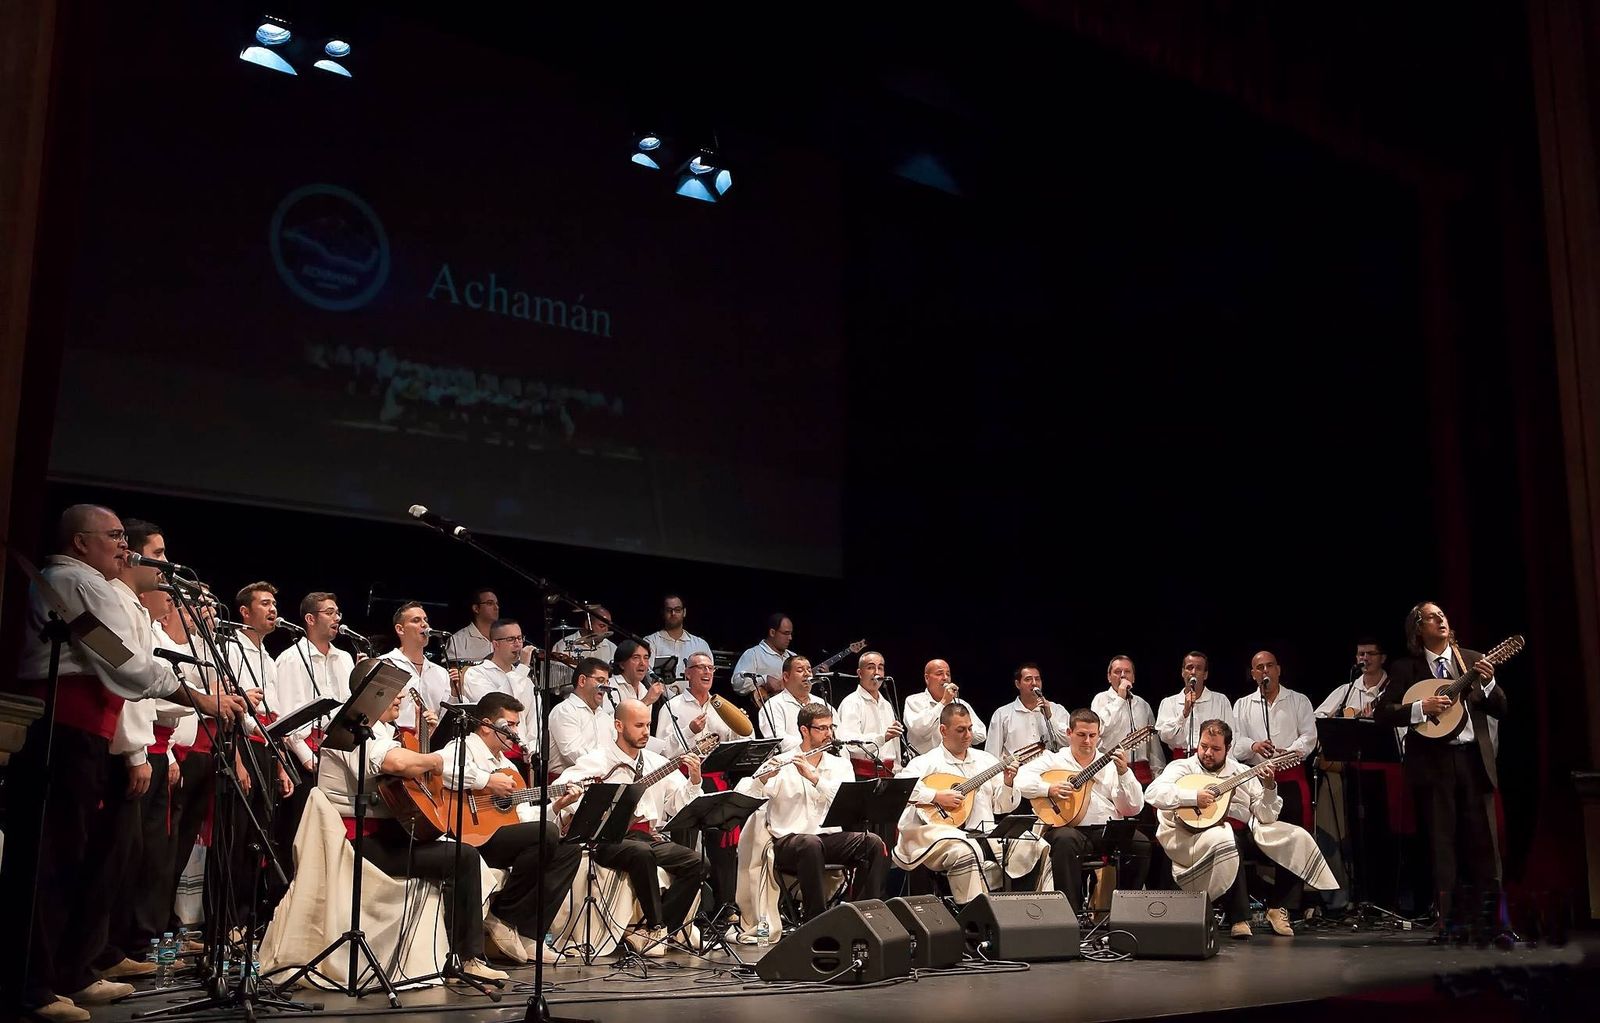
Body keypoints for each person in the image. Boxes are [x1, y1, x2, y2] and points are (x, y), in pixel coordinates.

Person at [1, 505, 244, 1021]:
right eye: (113, 536)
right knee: (50, 860)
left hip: (85, 733)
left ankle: (67, 972)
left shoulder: (89, 584)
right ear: (80, 542)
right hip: (61, 732)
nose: (123, 546)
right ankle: (33, 985)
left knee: (75, 860)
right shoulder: (71, 580)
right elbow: (119, 659)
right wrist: (195, 696)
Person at [315, 689, 508, 982]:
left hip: (389, 833)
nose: (399, 698)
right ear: (369, 698)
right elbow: (398, 764)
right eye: (391, 693)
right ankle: (465, 958)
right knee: (463, 858)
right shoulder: (349, 734)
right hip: (360, 841)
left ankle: (459, 948)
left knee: (457, 848)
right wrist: (434, 760)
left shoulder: (383, 734)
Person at [1373, 602, 1505, 935]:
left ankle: (1495, 923)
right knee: (1442, 848)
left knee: (1486, 847)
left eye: (1443, 614)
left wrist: (1487, 686)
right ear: (1418, 628)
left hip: (1474, 762)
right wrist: (1420, 707)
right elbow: (1383, 713)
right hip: (1434, 766)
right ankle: (1451, 924)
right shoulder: (1407, 669)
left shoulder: (1473, 660)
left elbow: (1502, 707)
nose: (1441, 619)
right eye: (1431, 617)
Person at [1146, 719, 1338, 939]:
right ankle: (1239, 917)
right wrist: (1193, 797)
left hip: (1247, 830)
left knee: (1296, 837)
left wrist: (1269, 788)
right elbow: (1152, 794)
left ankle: (1278, 907)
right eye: (1204, 746)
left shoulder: (1241, 771)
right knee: (1227, 840)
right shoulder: (1182, 767)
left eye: (1216, 749)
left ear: (1228, 749)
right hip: (1199, 835)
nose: (1208, 753)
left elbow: (1267, 816)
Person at [436, 693, 583, 964]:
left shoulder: (508, 765)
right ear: (486, 725)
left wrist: (558, 806)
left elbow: (524, 817)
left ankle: (529, 933)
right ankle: (505, 915)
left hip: (498, 836)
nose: (515, 732)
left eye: (517, 725)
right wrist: (486, 781)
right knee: (546, 835)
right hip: (468, 836)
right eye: (510, 725)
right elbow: (437, 769)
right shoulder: (462, 747)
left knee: (569, 849)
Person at [554, 700, 708, 954]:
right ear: (618, 725)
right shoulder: (597, 760)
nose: (646, 731)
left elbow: (678, 804)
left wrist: (694, 780)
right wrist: (576, 803)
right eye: (639, 725)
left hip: (644, 837)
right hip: (606, 839)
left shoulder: (656, 762)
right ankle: (656, 925)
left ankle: (655, 930)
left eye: (648, 725)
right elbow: (564, 792)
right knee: (641, 853)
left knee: (698, 862)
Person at [747, 704, 887, 921]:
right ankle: (817, 921)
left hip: (829, 840)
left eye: (830, 728)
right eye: (821, 729)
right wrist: (764, 778)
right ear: (805, 730)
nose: (828, 734)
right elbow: (745, 796)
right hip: (789, 842)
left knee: (873, 843)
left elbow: (849, 806)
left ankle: (860, 915)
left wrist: (816, 779)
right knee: (810, 844)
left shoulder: (841, 766)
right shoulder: (782, 762)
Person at [896, 704, 1042, 905]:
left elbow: (1002, 807)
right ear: (943, 731)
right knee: (968, 849)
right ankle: (976, 919)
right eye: (960, 730)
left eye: (970, 728)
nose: (968, 735)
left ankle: (1030, 910)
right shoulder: (926, 762)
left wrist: (1008, 783)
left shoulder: (985, 761)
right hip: (943, 836)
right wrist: (936, 796)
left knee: (1035, 844)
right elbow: (901, 789)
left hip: (984, 833)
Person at [1016, 709, 1150, 914]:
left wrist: (1124, 774)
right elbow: (1020, 781)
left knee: (1140, 844)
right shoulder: (1053, 760)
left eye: (1092, 735)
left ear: (1099, 735)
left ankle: (1124, 912)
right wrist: (1048, 789)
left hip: (1105, 831)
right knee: (1064, 839)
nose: (1087, 741)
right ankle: (1070, 915)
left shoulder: (1113, 765)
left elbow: (1133, 808)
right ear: (1069, 733)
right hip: (1068, 828)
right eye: (1081, 735)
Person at [1231, 651, 1318, 827]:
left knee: (1296, 831)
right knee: (1263, 835)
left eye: (1270, 666)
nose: (1265, 671)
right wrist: (1253, 746)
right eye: (1259, 667)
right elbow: (1235, 743)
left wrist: (1289, 752)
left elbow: (1309, 736)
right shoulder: (1242, 704)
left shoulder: (1299, 700)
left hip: (1291, 777)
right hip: (1258, 782)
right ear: (1253, 674)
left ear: (1278, 670)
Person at [459, 619, 541, 745]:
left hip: (525, 751)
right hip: (496, 748)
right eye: (511, 639)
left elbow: (535, 720)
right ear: (496, 644)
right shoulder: (477, 674)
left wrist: (531, 749)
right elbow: (498, 707)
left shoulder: (526, 680)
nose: (518, 644)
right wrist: (523, 667)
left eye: (520, 638)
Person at [1089, 656, 1164, 784]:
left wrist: (1158, 776)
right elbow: (1100, 729)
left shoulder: (1143, 705)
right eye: (1117, 672)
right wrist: (1120, 699)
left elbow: (1153, 745)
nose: (1123, 676)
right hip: (1111, 770)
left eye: (1127, 672)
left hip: (1141, 773)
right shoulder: (1100, 699)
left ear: (1133, 678)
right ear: (1109, 677)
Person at [380, 601, 454, 731]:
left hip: (433, 740)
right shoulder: (385, 664)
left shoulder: (441, 673)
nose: (424, 624)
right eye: (416, 620)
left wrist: (454, 691)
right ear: (400, 629)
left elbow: (446, 717)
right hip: (396, 741)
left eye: (425, 620)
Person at [835, 650, 905, 777]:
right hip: (862, 774)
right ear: (860, 673)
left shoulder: (887, 704)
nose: (876, 672)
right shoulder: (851, 702)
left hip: (889, 773)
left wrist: (898, 770)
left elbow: (894, 744)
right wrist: (882, 738)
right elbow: (850, 743)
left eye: (880, 668)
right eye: (871, 667)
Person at [1154, 651, 1233, 760]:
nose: (1193, 672)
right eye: (1189, 668)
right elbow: (1165, 736)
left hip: (1212, 760)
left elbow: (1230, 736)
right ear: (1182, 672)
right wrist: (1184, 714)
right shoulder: (1169, 702)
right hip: (1181, 760)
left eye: (1199, 668)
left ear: (1205, 675)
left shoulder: (1220, 701)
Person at [546, 656, 617, 775]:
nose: (606, 687)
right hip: (566, 785)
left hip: (602, 778)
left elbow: (615, 747)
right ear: (582, 681)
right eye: (600, 680)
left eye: (607, 682)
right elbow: (574, 755)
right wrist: (611, 763)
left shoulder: (605, 717)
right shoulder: (564, 711)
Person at [984, 662, 1068, 759]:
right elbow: (992, 754)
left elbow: (1070, 742)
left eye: (1037, 679)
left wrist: (1050, 717)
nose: (1034, 683)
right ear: (1018, 684)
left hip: (1051, 771)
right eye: (1028, 679)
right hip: (1018, 772)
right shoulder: (1002, 714)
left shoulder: (1057, 710)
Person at [903, 659, 985, 757]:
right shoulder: (914, 701)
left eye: (948, 674)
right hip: (925, 764)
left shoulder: (960, 704)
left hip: (956, 762)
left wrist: (963, 730)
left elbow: (981, 735)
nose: (945, 678)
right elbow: (920, 730)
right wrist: (943, 703)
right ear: (927, 678)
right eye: (939, 674)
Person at [756, 655, 835, 750]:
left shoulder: (822, 703)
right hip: (791, 761)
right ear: (786, 676)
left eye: (809, 670)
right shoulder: (773, 705)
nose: (807, 674)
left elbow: (838, 737)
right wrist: (813, 744)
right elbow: (778, 742)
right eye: (800, 670)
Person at [731, 613, 794, 704]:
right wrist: (764, 679)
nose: (790, 638)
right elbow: (737, 683)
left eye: (791, 634)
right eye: (786, 633)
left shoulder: (793, 657)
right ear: (772, 632)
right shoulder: (754, 654)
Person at [642, 594, 713, 675]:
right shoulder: (650, 642)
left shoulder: (701, 645)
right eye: (669, 610)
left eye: (677, 610)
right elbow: (646, 671)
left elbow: (708, 673)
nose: (673, 613)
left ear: (684, 612)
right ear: (663, 613)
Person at [445, 588, 500, 663]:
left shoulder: (503, 636)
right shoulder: (458, 640)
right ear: (476, 608)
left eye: (497, 604)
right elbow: (453, 670)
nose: (496, 607)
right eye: (490, 603)